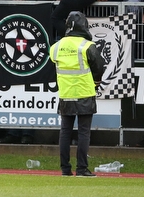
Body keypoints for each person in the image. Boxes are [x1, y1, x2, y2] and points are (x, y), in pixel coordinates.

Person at [49, 11, 104, 177]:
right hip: (85, 92)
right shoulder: (87, 45)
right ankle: (82, 169)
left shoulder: (56, 47)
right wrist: (96, 82)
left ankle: (65, 169)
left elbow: (53, 62)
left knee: (65, 132)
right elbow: (99, 67)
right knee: (83, 132)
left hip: (66, 94)